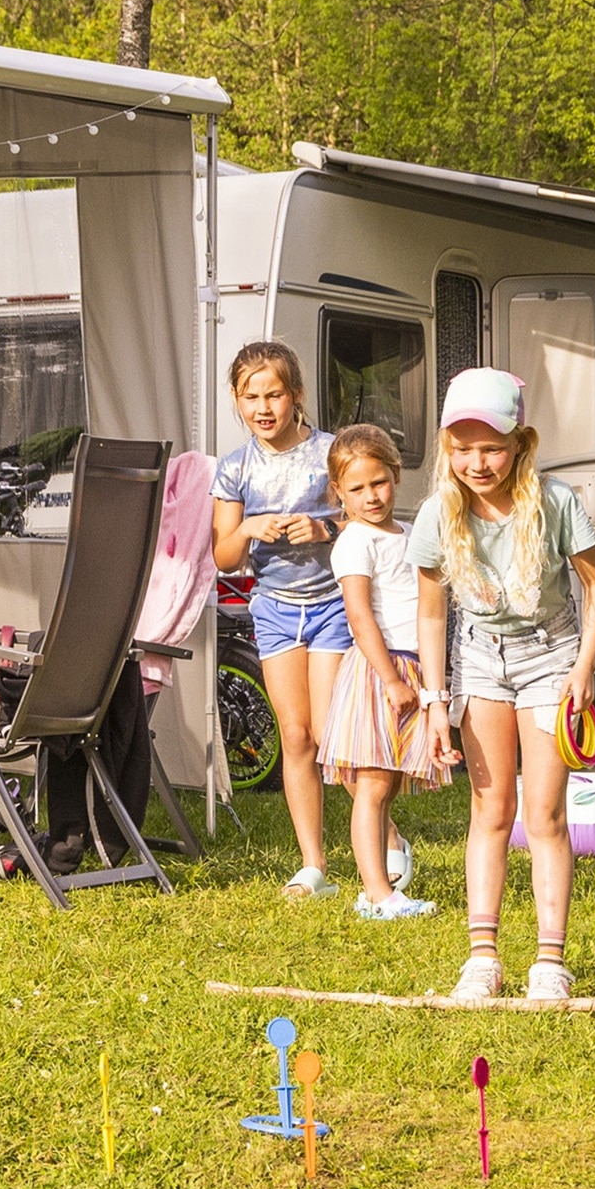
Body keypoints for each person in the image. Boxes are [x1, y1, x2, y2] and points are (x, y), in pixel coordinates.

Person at [412, 368, 595, 1002]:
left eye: (492, 446)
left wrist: (585, 667)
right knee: (490, 810)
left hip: (551, 658)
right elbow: (431, 611)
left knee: (545, 814)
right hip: (477, 661)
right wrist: (435, 699)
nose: (478, 461)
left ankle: (549, 960)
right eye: (463, 447)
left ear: (521, 442)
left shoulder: (554, 502)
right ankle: (483, 957)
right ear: (447, 447)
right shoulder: (439, 513)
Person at [212, 341, 354, 900]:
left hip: (332, 605)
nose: (263, 407)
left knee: (330, 734)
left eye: (274, 394)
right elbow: (223, 555)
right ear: (236, 399)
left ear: (296, 395)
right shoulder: (234, 468)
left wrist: (326, 530)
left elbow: (368, 518)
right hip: (274, 611)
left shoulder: (331, 453)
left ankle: (385, 838)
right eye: (251, 396)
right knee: (294, 736)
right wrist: (249, 529)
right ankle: (313, 865)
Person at [320, 423, 443, 919]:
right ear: (339, 494)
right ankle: (377, 893)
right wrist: (390, 679)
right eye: (357, 489)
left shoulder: (408, 535)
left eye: (379, 483)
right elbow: (359, 614)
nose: (371, 497)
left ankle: (380, 884)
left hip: (409, 665)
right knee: (371, 785)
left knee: (386, 784)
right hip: (379, 669)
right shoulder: (355, 543)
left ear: (396, 475)